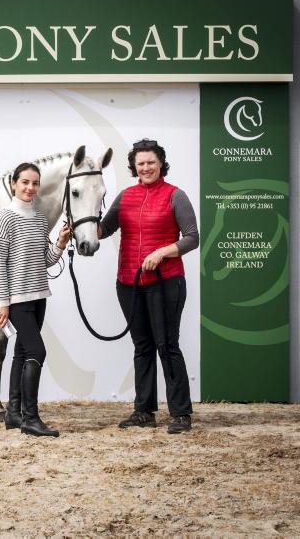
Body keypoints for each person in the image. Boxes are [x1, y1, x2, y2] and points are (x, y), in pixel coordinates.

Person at [98, 139, 199, 434]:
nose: (145, 168)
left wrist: (162, 252)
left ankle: (181, 413)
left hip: (166, 282)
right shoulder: (125, 196)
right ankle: (144, 411)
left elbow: (192, 237)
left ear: (161, 163)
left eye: (151, 162)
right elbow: (103, 230)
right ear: (134, 166)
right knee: (142, 346)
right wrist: (81, 225)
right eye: (140, 163)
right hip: (128, 282)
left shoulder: (175, 195)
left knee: (166, 345)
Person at [0, 162, 70, 437]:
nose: (30, 187)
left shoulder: (39, 218)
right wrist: (2, 302)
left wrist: (59, 243)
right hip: (17, 300)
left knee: (23, 353)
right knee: (37, 352)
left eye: (35, 183)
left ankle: (14, 414)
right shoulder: (5, 218)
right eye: (25, 182)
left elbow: (44, 260)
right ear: (14, 184)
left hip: (39, 296)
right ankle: (31, 419)